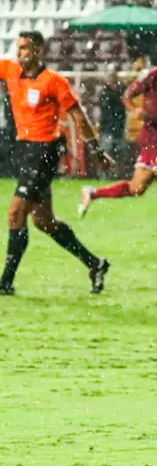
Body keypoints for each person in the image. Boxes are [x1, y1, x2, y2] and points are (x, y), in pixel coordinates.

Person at [0, 31, 114, 296]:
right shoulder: (10, 70)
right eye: (18, 48)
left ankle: (5, 282)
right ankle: (95, 264)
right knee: (44, 221)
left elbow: (78, 116)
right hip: (25, 151)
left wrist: (96, 150)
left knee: (16, 213)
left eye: (26, 48)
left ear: (39, 50)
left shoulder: (54, 82)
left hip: (44, 152)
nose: (20, 53)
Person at [78, 38, 157, 247]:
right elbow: (127, 95)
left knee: (136, 188)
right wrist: (134, 109)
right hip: (151, 136)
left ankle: (93, 193)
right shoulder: (154, 75)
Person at [98, 68, 128, 178]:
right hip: (107, 128)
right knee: (106, 153)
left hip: (118, 127)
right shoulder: (105, 93)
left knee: (119, 153)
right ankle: (104, 175)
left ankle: (117, 174)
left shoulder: (120, 91)